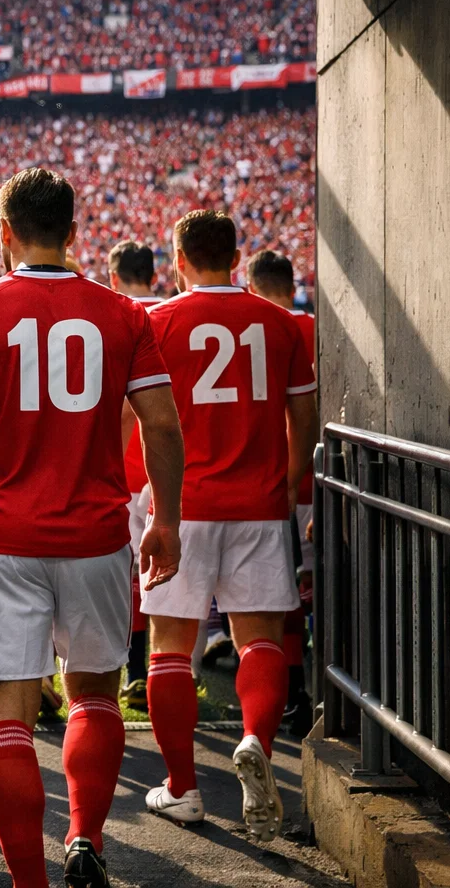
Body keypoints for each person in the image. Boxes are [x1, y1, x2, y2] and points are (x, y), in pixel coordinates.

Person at [0, 168, 185, 888]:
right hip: (95, 537)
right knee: (93, 696)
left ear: (4, 233)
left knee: (6, 722)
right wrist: (168, 518)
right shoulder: (125, 315)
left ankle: (29, 879)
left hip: (3, 540)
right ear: (73, 233)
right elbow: (161, 424)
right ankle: (85, 838)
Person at [140, 216, 317, 841]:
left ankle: (182, 789)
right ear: (237, 257)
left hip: (182, 504)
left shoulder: (158, 322)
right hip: (258, 504)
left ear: (178, 259)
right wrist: (286, 483)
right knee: (259, 639)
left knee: (169, 646)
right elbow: (305, 419)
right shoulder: (280, 322)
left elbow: (142, 420)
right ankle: (256, 740)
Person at [245, 248, 318, 731]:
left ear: (252, 288)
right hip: (320, 477)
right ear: (292, 287)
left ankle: (292, 696)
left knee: (280, 597)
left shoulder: (257, 327)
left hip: (273, 479)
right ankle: (318, 690)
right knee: (320, 587)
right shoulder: (316, 328)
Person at [107, 239, 164, 713]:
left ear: (114, 276)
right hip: (176, 467)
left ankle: (137, 671)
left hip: (126, 469)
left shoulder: (119, 318)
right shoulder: (174, 314)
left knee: (129, 574)